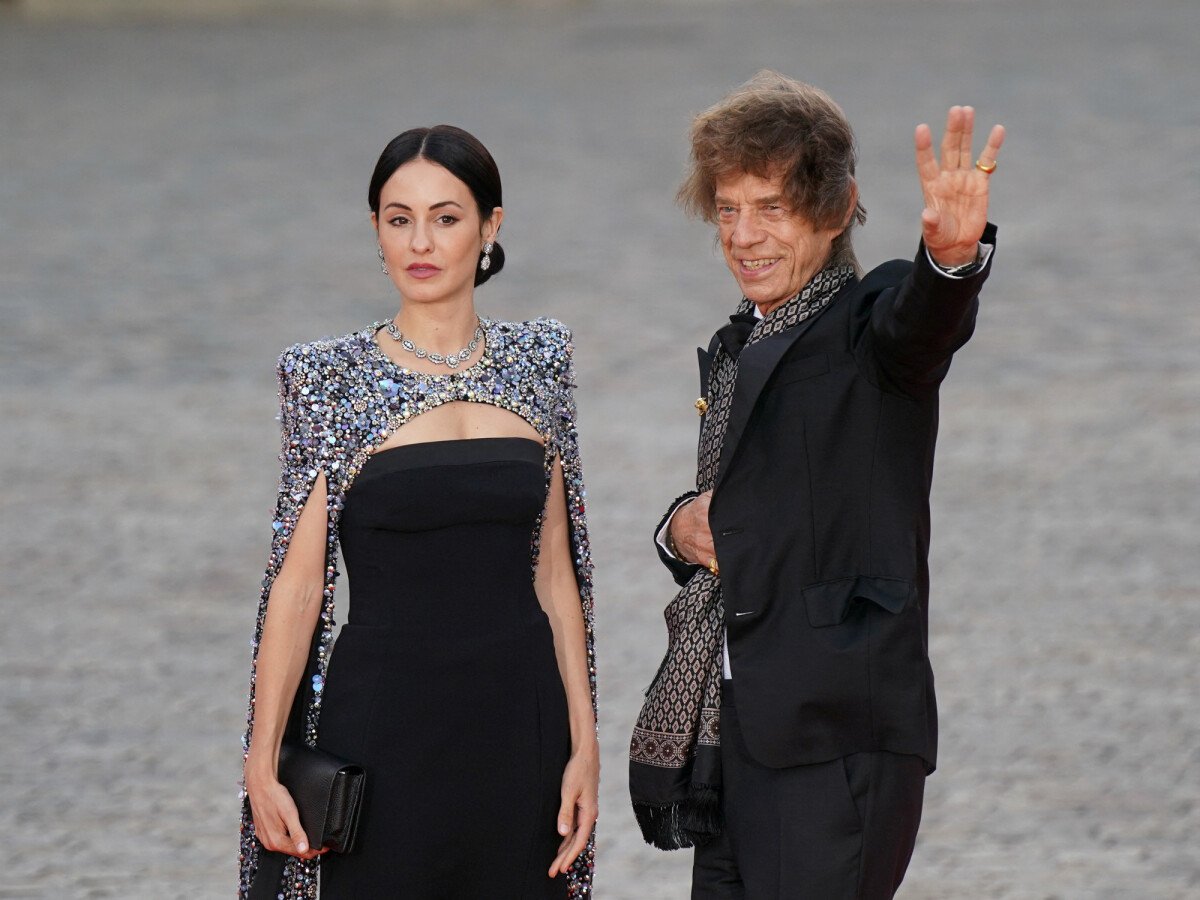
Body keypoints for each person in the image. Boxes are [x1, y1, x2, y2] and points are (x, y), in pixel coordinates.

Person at [629, 71, 1005, 898]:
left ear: (836, 211)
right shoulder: (745, 342)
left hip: (835, 744)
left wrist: (948, 261)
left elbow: (922, 327)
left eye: (772, 208)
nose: (744, 234)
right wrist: (677, 528)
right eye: (729, 209)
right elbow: (748, 509)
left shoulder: (866, 330)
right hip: (737, 740)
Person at [237, 125, 599, 899]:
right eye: (398, 219)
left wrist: (585, 745)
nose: (421, 242)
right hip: (382, 730)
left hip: (519, 725)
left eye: (446, 216)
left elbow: (556, 576)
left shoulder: (541, 360)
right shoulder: (326, 376)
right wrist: (262, 759)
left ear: (490, 226)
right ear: (376, 230)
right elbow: (299, 585)